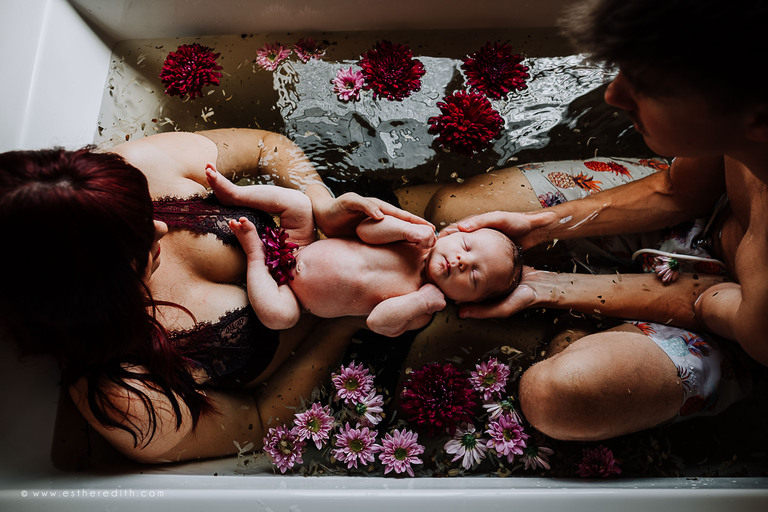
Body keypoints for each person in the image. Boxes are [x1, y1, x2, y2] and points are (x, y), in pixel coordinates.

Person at [397, 0, 768, 441]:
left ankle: (571, 336)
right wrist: (542, 225)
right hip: (707, 219)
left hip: (733, 328)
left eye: (646, 86)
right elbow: (679, 191)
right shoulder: (747, 92)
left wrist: (545, 290)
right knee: (461, 211)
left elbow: (703, 298)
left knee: (558, 396)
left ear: (757, 118)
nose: (614, 94)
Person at [0, 128, 429, 464]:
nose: (161, 229)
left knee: (455, 207)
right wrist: (350, 323)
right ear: (89, 299)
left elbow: (267, 147)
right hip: (365, 350)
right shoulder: (131, 400)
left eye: (145, 213)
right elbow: (261, 420)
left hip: (364, 232)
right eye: (137, 247)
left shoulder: (141, 168)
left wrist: (323, 206)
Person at [206, 168, 522, 338]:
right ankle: (235, 193)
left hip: (294, 296)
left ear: (466, 300)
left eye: (475, 275)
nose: (462, 261)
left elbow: (379, 322)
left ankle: (254, 256)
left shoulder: (422, 312)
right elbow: (365, 232)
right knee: (299, 204)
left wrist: (421, 300)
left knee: (279, 317)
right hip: (301, 244)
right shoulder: (414, 243)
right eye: (466, 248)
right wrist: (405, 230)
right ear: (453, 233)